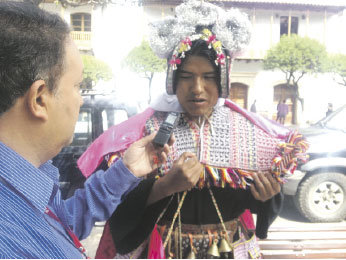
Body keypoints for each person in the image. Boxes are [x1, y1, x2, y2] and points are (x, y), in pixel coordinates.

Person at [77, 0, 309, 258]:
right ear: (172, 80)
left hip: (228, 250)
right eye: (186, 77)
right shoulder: (144, 132)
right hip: (163, 250)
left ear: (223, 80)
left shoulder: (253, 134)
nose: (197, 88)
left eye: (209, 77)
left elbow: (256, 203)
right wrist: (162, 187)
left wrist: (267, 196)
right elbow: (119, 210)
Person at [0, 2, 198, 258]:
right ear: (40, 99)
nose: (80, 100)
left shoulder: (29, 185)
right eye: (77, 86)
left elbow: (64, 224)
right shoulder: (10, 238)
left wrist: (125, 171)